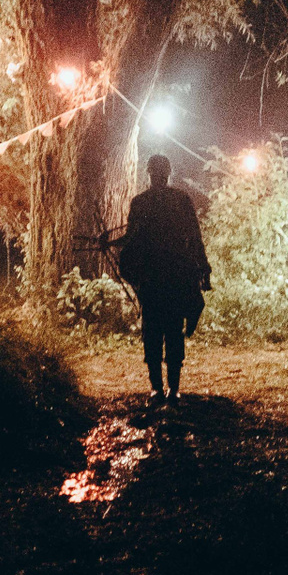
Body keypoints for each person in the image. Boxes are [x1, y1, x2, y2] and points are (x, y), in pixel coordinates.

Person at [117, 154, 211, 402]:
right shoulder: (181, 200)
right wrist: (203, 267)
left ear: (149, 174)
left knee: (153, 330)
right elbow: (195, 237)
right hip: (176, 276)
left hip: (152, 278)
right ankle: (173, 389)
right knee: (173, 330)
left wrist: (114, 246)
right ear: (168, 173)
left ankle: (158, 388)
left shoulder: (140, 202)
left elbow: (131, 239)